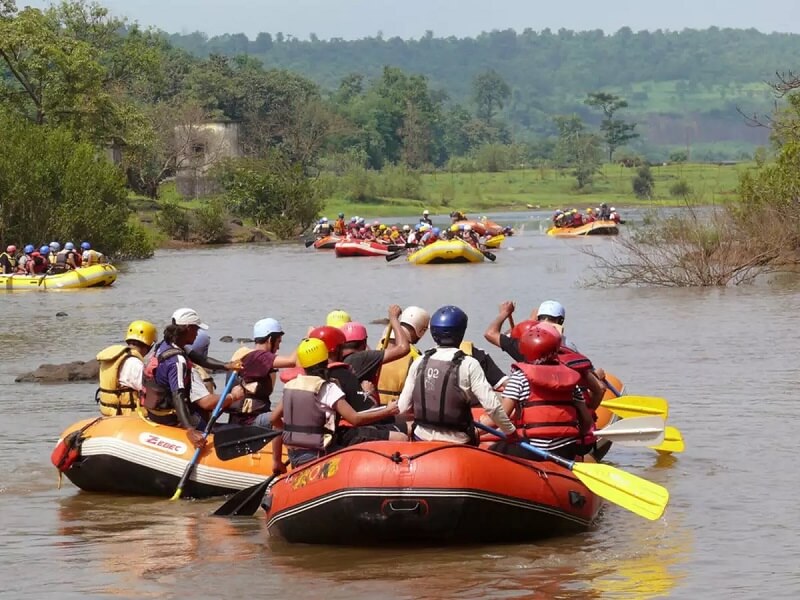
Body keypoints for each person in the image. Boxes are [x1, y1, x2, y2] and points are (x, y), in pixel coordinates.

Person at [270, 338, 401, 470]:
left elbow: (274, 419)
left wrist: (292, 437)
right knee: (397, 438)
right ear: (325, 360)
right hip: (319, 455)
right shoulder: (327, 388)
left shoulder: (290, 386)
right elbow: (355, 419)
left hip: (295, 455)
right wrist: (388, 411)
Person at [397, 305, 516, 444]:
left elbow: (403, 407)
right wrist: (511, 432)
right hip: (457, 441)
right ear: (461, 332)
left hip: (421, 438)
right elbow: (492, 407)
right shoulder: (469, 364)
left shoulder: (419, 361)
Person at [488, 323, 592, 461]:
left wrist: (477, 429)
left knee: (492, 449)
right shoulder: (571, 380)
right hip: (565, 450)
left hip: (532, 450)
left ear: (524, 350)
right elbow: (586, 421)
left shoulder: (520, 378)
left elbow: (500, 417)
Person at [142, 308, 234, 448]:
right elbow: (177, 395)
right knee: (223, 431)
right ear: (188, 328)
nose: (197, 333)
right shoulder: (177, 360)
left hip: (155, 411)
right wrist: (190, 429)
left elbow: (200, 359)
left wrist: (227, 365)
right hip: (169, 416)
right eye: (196, 329)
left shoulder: (165, 345)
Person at [307, 325, 407, 446]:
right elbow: (362, 414)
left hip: (316, 435)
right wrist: (372, 396)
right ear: (336, 349)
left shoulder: (303, 376)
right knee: (402, 436)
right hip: (342, 432)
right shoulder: (341, 374)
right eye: (341, 347)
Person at [226, 318, 296, 427]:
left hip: (241, 419)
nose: (279, 347)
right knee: (287, 416)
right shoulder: (259, 357)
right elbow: (292, 361)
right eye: (278, 341)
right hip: (250, 421)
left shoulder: (245, 354)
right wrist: (307, 339)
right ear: (269, 339)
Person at [339, 305, 410, 400]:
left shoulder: (337, 357)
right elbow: (403, 347)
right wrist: (393, 319)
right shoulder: (362, 358)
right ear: (364, 343)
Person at [95, 320, 157, 416]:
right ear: (149, 345)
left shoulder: (115, 357)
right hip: (128, 416)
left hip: (110, 414)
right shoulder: (134, 363)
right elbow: (149, 391)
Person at [376, 306, 430, 404]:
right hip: (397, 409)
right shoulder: (415, 356)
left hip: (375, 405)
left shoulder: (380, 345)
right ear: (421, 330)